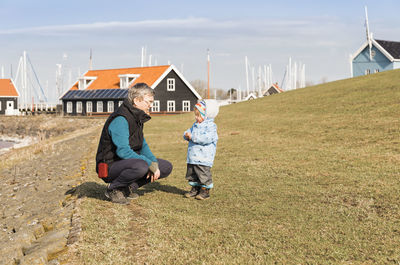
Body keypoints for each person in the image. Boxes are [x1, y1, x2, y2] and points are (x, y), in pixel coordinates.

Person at [96, 83, 173, 204]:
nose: (151, 106)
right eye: (149, 102)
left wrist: (153, 163)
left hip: (128, 162)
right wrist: (148, 164)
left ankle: (127, 188)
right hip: (109, 166)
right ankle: (114, 189)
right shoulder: (120, 119)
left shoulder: (137, 118)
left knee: (165, 166)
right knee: (142, 166)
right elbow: (123, 151)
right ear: (137, 101)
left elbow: (142, 145)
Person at [183, 99, 219, 200]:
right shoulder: (195, 125)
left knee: (203, 174)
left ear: (206, 115)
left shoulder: (211, 127)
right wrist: (186, 135)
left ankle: (205, 190)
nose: (196, 117)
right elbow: (189, 131)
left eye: (198, 115)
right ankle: (195, 188)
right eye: (195, 115)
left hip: (204, 156)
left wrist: (193, 137)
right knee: (192, 173)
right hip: (193, 156)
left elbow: (207, 138)